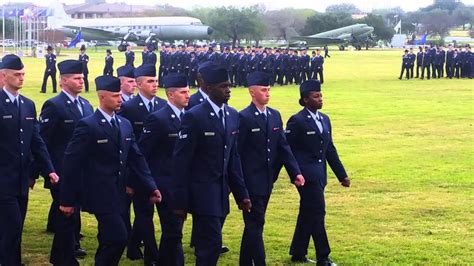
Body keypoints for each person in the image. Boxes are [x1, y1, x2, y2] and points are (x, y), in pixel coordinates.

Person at [59, 75, 162, 266]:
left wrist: (150, 186)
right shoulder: (88, 125)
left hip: (120, 193)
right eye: (115, 96)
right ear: (102, 97)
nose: (120, 99)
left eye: (119, 96)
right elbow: (71, 163)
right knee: (118, 237)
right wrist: (66, 200)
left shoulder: (124, 124)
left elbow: (137, 159)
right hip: (98, 193)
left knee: (110, 239)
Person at [172, 63, 251, 265]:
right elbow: (181, 161)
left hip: (222, 193)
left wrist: (242, 195)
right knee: (211, 244)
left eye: (229, 86)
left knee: (210, 244)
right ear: (208, 88)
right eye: (223, 86)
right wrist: (180, 202)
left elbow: (233, 158)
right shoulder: (194, 116)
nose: (228, 90)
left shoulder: (232, 115)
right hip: (201, 193)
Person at [238, 72, 304, 266]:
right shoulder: (244, 117)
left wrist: (295, 172)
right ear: (252, 92)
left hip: (267, 179)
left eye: (269, 90)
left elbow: (283, 147)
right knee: (255, 223)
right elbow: (237, 153)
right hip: (250, 181)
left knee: (255, 223)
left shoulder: (274, 115)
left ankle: (245, 262)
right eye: (263, 90)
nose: (268, 94)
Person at [0, 54, 59, 265]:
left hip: (21, 179)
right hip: (3, 179)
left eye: (23, 74)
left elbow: (37, 141)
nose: (21, 78)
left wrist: (49, 169)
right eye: (17, 75)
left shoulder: (27, 104)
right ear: (3, 76)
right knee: (12, 226)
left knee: (16, 227)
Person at [286, 79, 350, 265]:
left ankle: (298, 252)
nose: (320, 99)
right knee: (317, 212)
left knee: (308, 212)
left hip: (320, 174)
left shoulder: (324, 119)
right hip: (305, 177)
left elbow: (329, 149)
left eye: (321, 95)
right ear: (305, 99)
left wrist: (342, 175)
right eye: (316, 96)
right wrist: (295, 173)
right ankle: (323, 256)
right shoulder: (296, 120)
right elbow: (286, 150)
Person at [39, 60, 94, 265]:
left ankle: (62, 254)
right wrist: (47, 170)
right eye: (77, 78)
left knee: (71, 214)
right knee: (66, 214)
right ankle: (66, 257)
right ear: (63, 81)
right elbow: (43, 140)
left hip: (82, 171)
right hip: (60, 170)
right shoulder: (54, 105)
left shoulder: (86, 105)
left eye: (82, 78)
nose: (81, 81)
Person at [139, 73, 190, 265]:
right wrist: (150, 185)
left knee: (175, 231)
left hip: (183, 184)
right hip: (165, 183)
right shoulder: (158, 119)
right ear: (170, 95)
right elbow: (143, 153)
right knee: (173, 230)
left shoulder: (190, 116)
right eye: (183, 92)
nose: (188, 96)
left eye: (188, 92)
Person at [118, 64, 166, 263]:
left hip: (161, 170)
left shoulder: (163, 105)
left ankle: (133, 244)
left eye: (155, 81)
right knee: (144, 213)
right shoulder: (128, 108)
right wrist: (129, 178)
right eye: (150, 81)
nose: (155, 85)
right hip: (138, 170)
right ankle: (152, 256)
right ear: (138, 85)